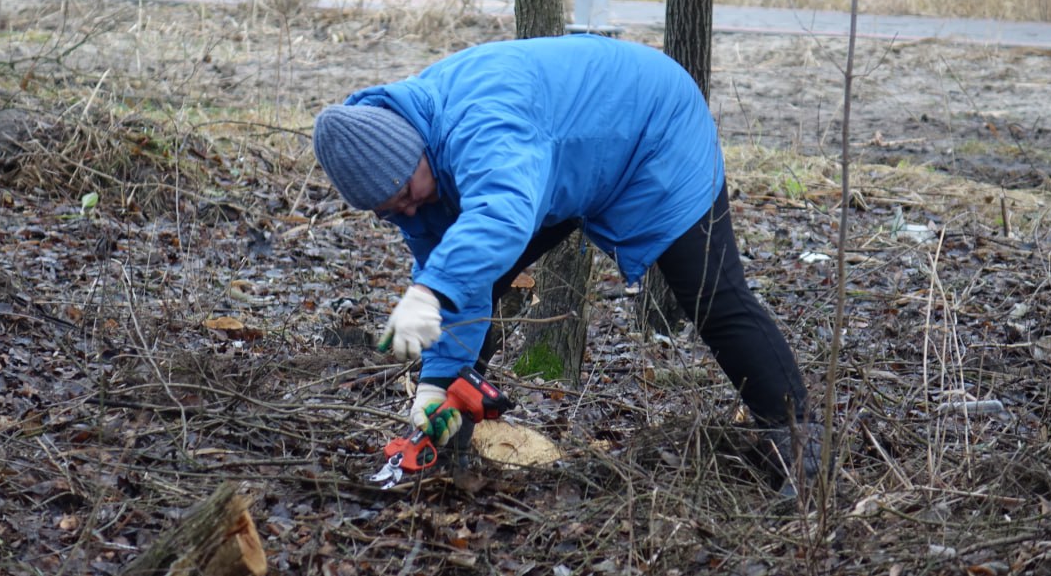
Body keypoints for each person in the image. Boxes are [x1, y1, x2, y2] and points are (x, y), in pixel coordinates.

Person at [312, 33, 821, 488]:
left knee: (711, 296)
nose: (404, 210)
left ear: (412, 151)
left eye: (403, 194)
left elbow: (502, 218)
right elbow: (461, 276)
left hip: (654, 127)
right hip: (566, 158)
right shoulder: (418, 176)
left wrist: (428, 291)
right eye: (389, 210)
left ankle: (801, 448)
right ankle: (439, 448)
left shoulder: (482, 121)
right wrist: (433, 383)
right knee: (466, 274)